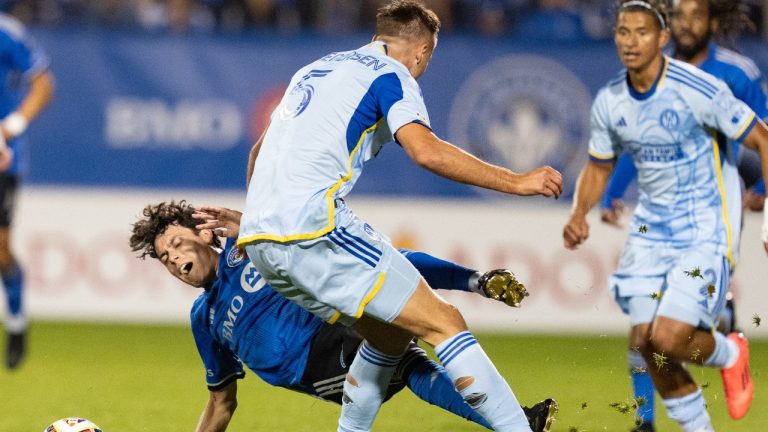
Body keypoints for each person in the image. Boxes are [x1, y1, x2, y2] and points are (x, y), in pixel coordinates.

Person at [237, 2, 563, 431]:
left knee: (389, 335)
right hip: (312, 227)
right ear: (422, 51)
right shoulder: (392, 74)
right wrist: (517, 181)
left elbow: (259, 152)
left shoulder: (314, 70)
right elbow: (425, 151)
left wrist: (263, 220)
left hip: (259, 240)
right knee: (445, 322)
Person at [129, 201, 557, 432]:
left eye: (178, 244)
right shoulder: (204, 318)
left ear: (205, 233)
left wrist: (254, 226)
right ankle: (516, 421)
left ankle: (476, 282)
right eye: (165, 258)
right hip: (316, 369)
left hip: (337, 328)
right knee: (402, 348)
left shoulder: (251, 246)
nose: (174, 259)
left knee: (385, 273)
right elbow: (221, 402)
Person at [563, 0, 768, 431]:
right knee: (645, 344)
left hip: (706, 225)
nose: (630, 41)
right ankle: (656, 422)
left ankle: (729, 352)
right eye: (623, 31)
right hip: (651, 229)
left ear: (661, 37)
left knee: (668, 338)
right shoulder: (611, 100)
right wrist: (581, 211)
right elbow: (603, 162)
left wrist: (767, 202)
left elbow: (763, 137)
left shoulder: (706, 85)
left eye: (641, 31)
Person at [0, 12, 55, 370]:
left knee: (0, 250)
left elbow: (43, 84)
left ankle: (17, 325)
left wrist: (12, 126)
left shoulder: (6, 33)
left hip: (2, 158)